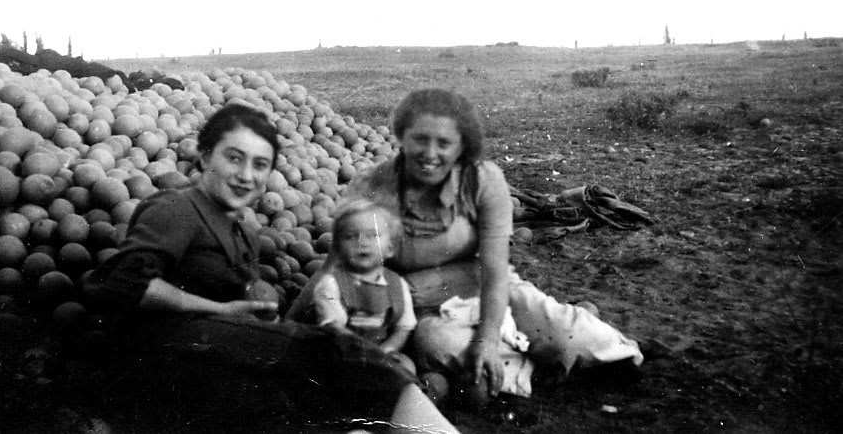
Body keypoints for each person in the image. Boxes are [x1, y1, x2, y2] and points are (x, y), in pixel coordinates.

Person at [83, 103, 463, 434]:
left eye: (260, 165)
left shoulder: (242, 231)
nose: (246, 175)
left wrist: (258, 308)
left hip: (212, 359)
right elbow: (124, 283)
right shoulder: (176, 208)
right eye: (234, 158)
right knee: (338, 352)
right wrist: (222, 310)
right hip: (160, 356)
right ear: (204, 157)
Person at [299, 88, 644, 404]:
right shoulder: (372, 185)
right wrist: (291, 325)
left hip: (488, 288)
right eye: (419, 139)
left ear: (462, 145)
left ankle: (556, 351)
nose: (430, 154)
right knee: (439, 345)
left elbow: (496, 269)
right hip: (420, 308)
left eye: (444, 143)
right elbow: (334, 267)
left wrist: (488, 338)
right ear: (402, 136)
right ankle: (530, 368)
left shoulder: (483, 181)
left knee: (572, 336)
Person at [306, 199, 418, 374]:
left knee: (405, 370)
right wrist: (367, 356)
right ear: (337, 248)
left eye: (373, 235)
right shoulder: (330, 284)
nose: (362, 242)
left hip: (380, 354)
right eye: (351, 236)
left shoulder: (398, 285)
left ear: (390, 248)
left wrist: (385, 351)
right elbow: (335, 329)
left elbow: (403, 328)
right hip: (341, 354)